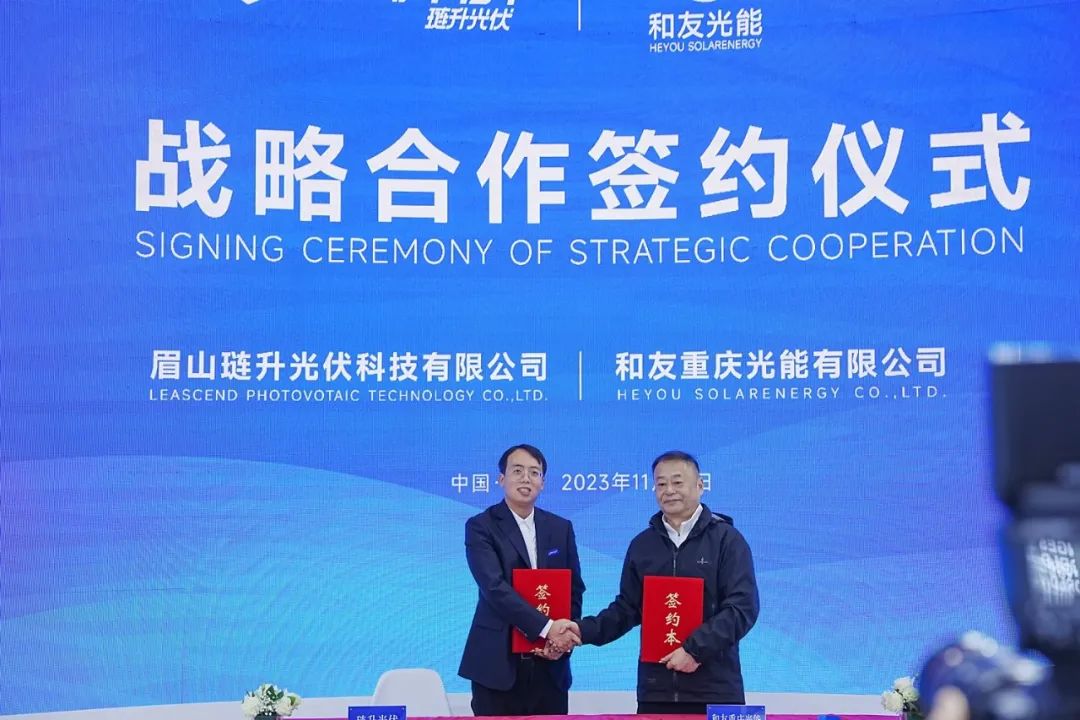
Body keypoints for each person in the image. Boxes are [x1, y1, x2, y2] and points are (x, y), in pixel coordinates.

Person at [570, 450, 759, 713]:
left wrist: (695, 651)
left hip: (716, 689)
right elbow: (627, 609)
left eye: (677, 482)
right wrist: (581, 631)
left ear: (700, 486)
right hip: (656, 690)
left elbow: (742, 607)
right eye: (661, 484)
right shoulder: (642, 545)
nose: (669, 491)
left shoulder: (728, 540)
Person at [458, 444, 585, 715]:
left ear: (542, 482)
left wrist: (562, 641)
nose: (526, 478)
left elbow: (574, 588)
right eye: (517, 471)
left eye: (534, 472)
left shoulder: (560, 528)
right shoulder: (481, 526)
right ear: (501, 479)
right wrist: (547, 628)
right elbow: (494, 588)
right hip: (497, 666)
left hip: (550, 666)